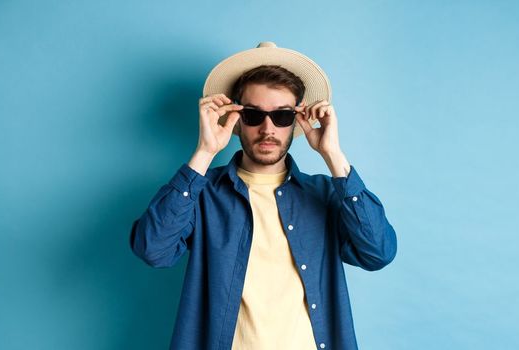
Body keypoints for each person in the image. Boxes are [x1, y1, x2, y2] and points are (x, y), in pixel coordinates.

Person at [130, 42, 397, 350]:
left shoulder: (325, 193)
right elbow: (152, 249)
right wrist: (204, 152)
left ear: (297, 120)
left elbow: (378, 252)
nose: (268, 128)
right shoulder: (202, 195)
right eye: (254, 115)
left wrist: (333, 155)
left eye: (282, 116)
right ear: (236, 117)